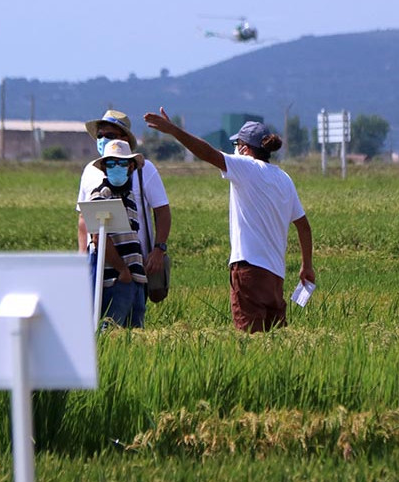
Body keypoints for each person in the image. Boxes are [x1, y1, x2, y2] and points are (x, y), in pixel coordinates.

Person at [144, 108, 314, 333]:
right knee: (275, 342)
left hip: (249, 271)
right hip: (275, 276)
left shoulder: (246, 167)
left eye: (236, 146)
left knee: (249, 342)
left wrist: (174, 131)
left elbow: (207, 153)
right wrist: (306, 265)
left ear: (244, 149)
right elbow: (303, 226)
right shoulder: (284, 178)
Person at [76, 110, 171, 327]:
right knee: (109, 322)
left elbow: (162, 211)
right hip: (107, 265)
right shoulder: (91, 176)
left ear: (124, 138)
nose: (102, 139)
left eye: (108, 134)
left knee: (133, 323)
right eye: (100, 135)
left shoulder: (144, 172)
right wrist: (83, 258)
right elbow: (85, 221)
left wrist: (158, 249)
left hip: (138, 262)